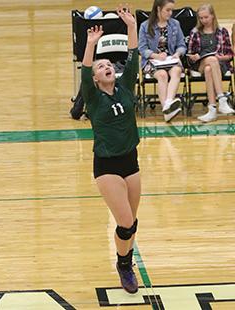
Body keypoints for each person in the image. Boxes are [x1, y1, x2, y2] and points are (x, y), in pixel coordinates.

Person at [81, 5, 140, 294]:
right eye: (101, 67)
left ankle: (125, 259)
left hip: (131, 160)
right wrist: (91, 44)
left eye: (108, 65)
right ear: (95, 79)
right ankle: (124, 265)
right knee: (125, 222)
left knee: (132, 224)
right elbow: (84, 69)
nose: (107, 67)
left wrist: (131, 25)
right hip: (107, 165)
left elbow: (133, 58)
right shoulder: (92, 98)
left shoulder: (126, 88)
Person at [138, 0, 187, 122]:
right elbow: (142, 49)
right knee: (162, 74)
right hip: (152, 61)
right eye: (168, 10)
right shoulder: (145, 26)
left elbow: (182, 45)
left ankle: (168, 103)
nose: (170, 13)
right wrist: (155, 55)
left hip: (170, 60)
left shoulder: (175, 24)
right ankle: (167, 109)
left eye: (172, 10)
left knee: (176, 71)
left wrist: (177, 53)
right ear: (158, 9)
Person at [187, 3, 235, 123]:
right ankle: (222, 98)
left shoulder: (222, 31)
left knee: (210, 67)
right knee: (211, 61)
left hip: (219, 65)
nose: (203, 20)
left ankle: (212, 109)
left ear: (213, 16)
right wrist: (194, 56)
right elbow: (189, 55)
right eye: (201, 18)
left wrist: (221, 57)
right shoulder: (195, 32)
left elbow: (230, 54)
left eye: (206, 17)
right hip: (200, 64)